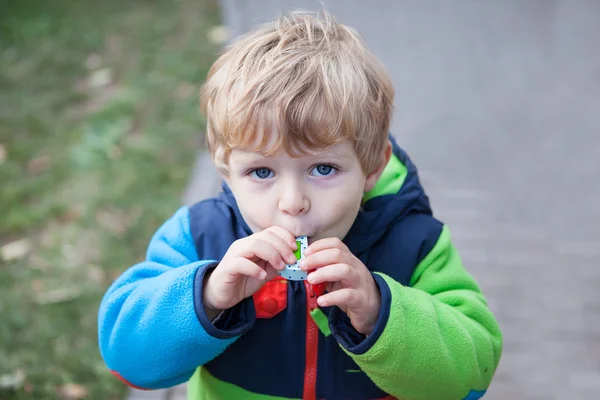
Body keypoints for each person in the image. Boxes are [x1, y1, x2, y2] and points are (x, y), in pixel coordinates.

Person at [98, 11, 502, 400]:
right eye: (261, 172)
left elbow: (470, 378)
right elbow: (126, 361)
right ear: (225, 171)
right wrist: (205, 299)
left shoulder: (415, 244)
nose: (292, 203)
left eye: (323, 168)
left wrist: (382, 313)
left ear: (373, 167)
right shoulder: (198, 236)